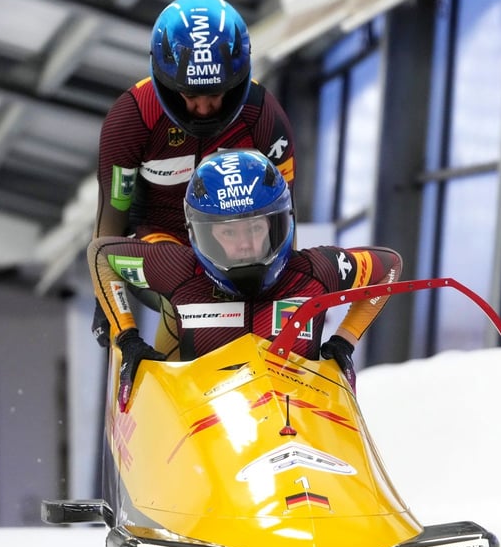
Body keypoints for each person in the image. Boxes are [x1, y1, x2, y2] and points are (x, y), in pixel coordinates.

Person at [88, 150, 402, 410]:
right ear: (202, 233)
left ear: (278, 224)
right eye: (228, 232)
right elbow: (102, 255)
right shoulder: (178, 270)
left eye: (255, 229)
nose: (244, 245)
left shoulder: (315, 270)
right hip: (205, 433)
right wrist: (127, 338)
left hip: (297, 423)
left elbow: (387, 267)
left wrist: (344, 341)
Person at [92, 0, 297, 359]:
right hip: (160, 238)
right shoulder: (132, 119)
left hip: (239, 246)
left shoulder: (264, 119)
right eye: (189, 95)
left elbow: (284, 217)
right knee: (187, 290)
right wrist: (106, 300)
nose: (203, 108)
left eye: (216, 94)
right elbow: (112, 214)